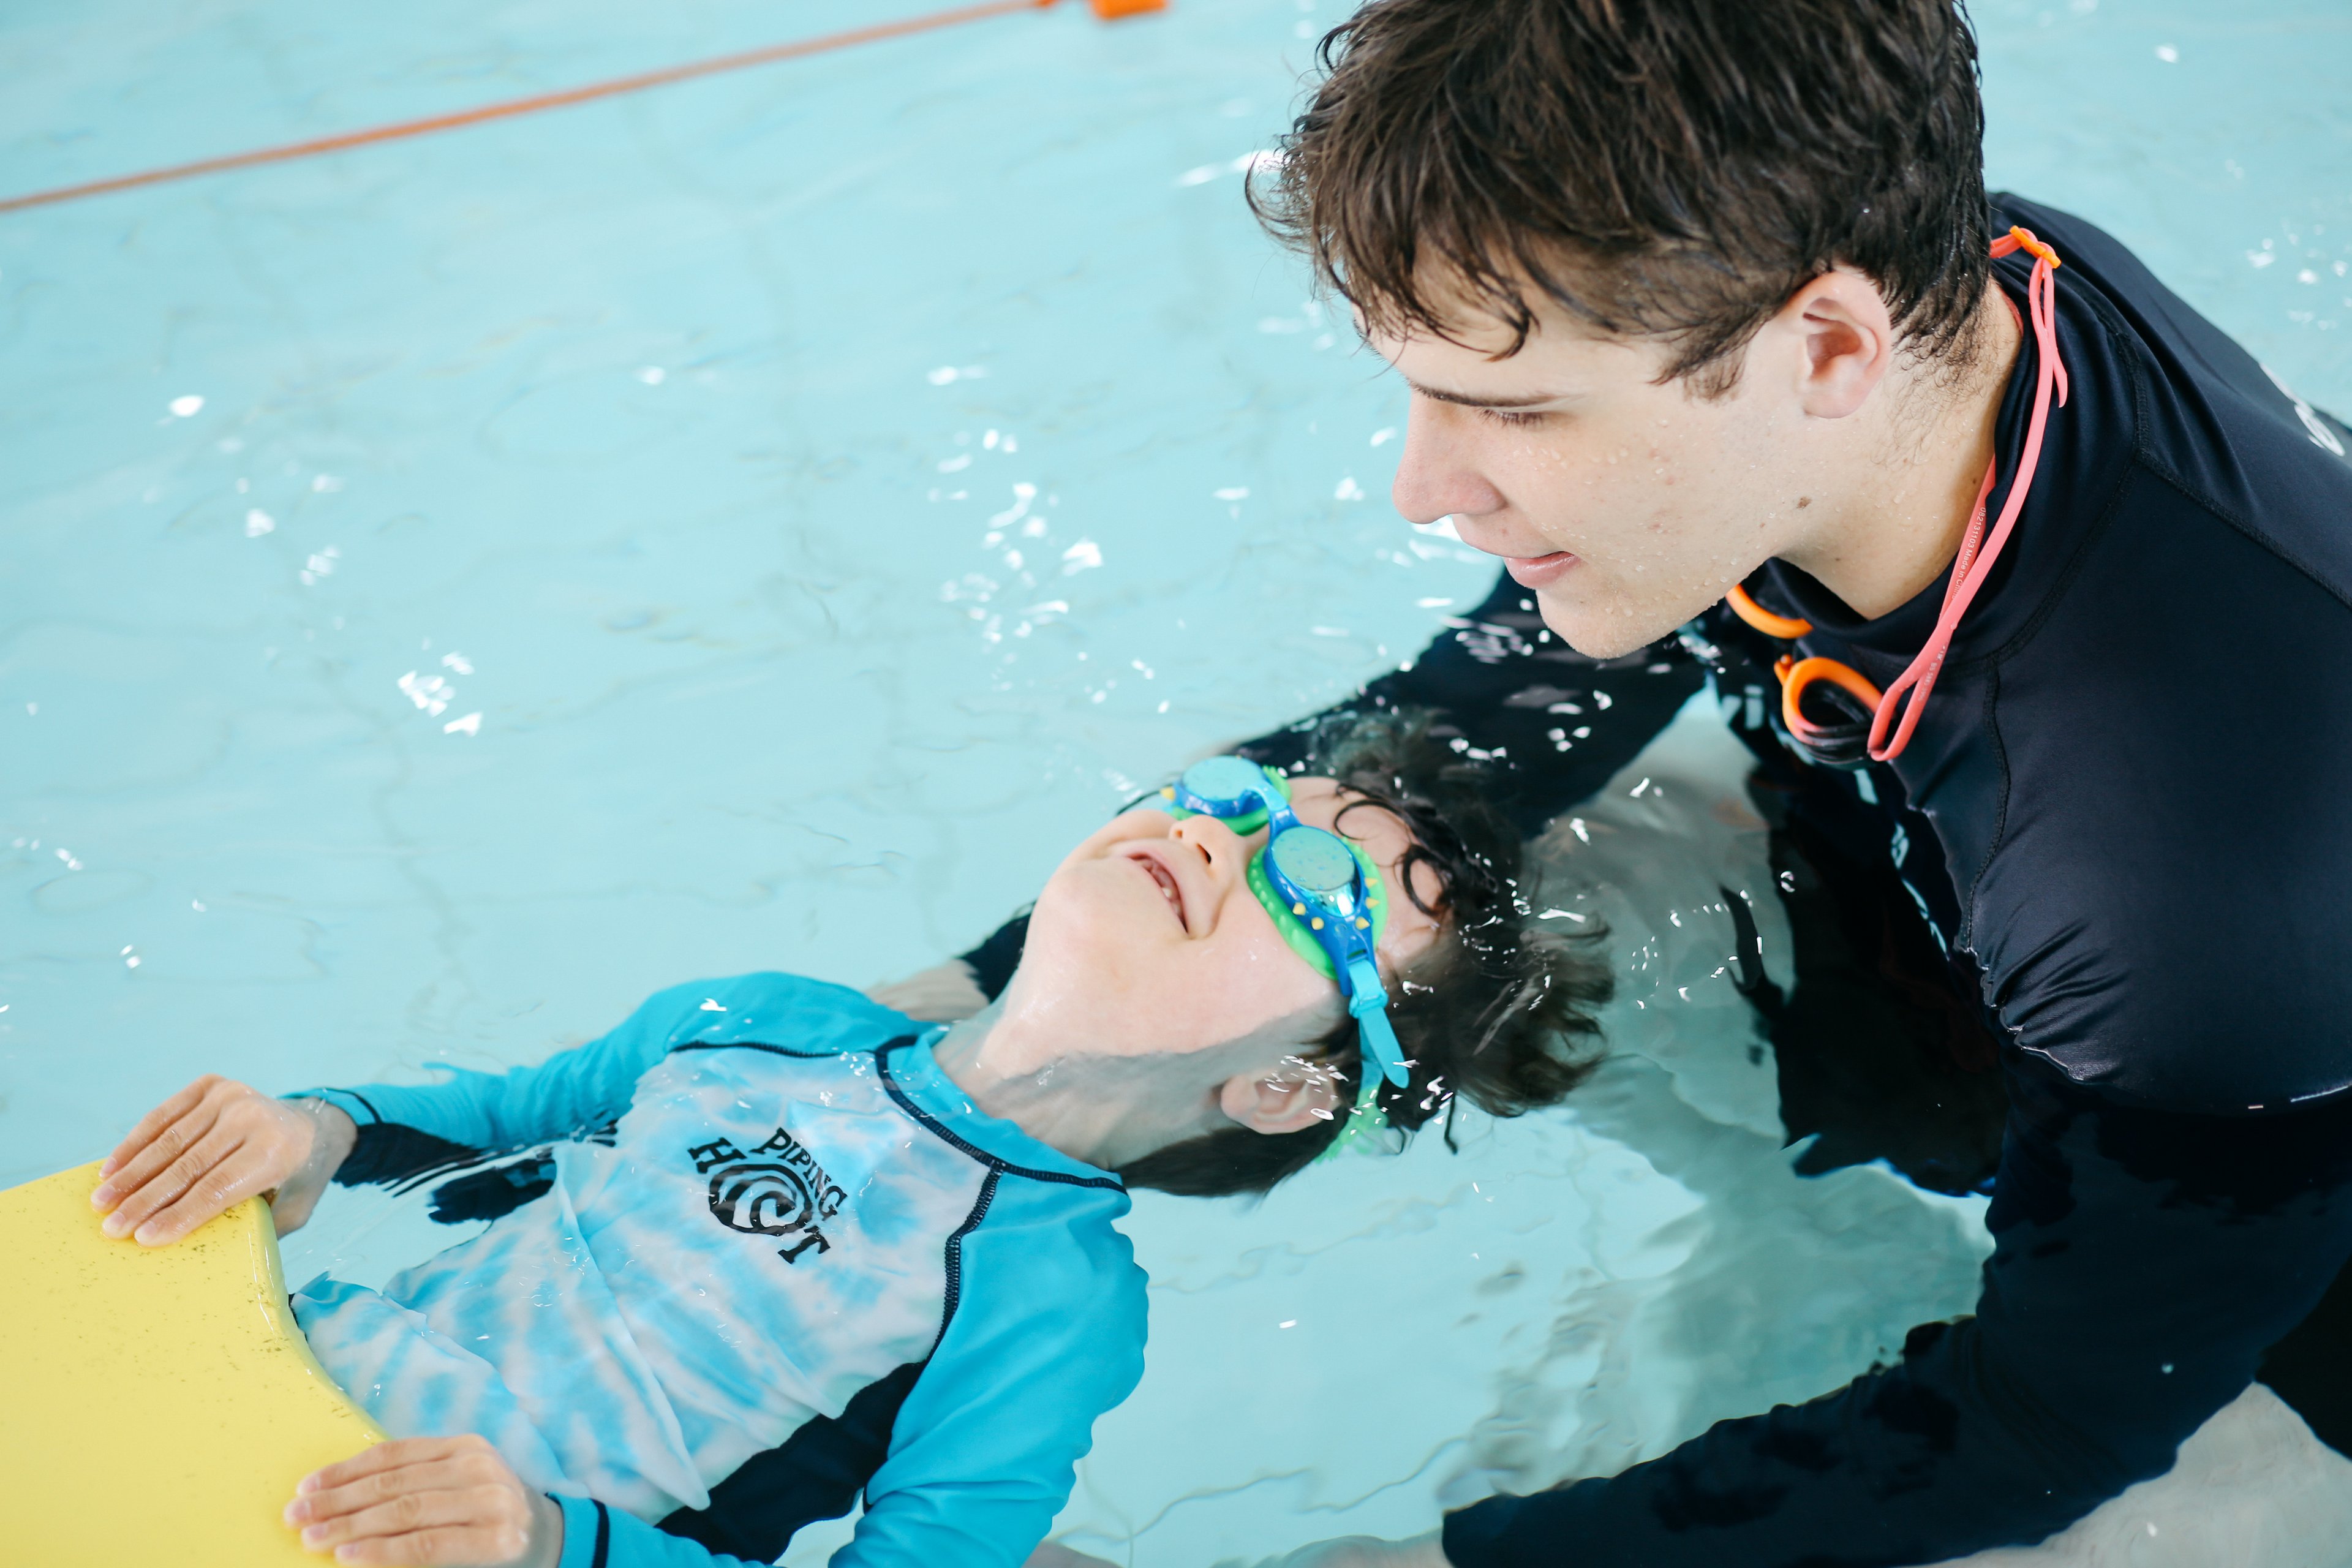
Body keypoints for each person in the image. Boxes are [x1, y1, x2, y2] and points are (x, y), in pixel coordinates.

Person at [938, 1, 2352, 1563]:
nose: (1426, 488)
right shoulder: (1942, 288)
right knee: (1394, 890)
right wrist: (939, 1007)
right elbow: (1492, 704)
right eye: (1425, 389)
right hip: (1960, 941)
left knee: (2150, 1522)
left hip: (2267, 1212)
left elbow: (2042, 1423)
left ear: (1824, 351)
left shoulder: (2180, 896)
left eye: (1520, 408)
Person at [88, 716, 1609, 1568]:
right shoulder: (765, 1017)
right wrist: (313, 1130)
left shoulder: (1049, 1304)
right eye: (1238, 792)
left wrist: (557, 1541)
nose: (1220, 828)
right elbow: (487, 1126)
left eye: (1316, 880)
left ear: (1283, 1087)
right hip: (256, 1385)